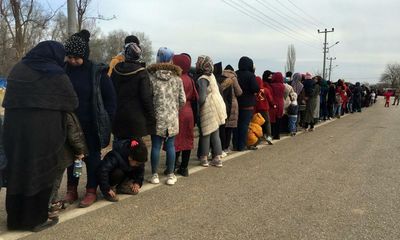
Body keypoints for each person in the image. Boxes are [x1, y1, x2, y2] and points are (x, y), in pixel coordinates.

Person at [2, 41, 78, 231]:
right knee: (40, 172)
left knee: (18, 171)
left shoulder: (18, 69)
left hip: (15, 132)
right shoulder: (55, 73)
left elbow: (8, 101)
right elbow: (72, 102)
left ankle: (15, 219)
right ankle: (34, 220)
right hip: (44, 133)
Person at [64, 30, 117, 208]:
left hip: (92, 124)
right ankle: (71, 189)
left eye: (76, 57)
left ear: (85, 55)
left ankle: (91, 190)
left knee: (92, 159)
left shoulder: (97, 72)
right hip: (70, 125)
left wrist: (107, 120)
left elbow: (110, 100)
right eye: (69, 56)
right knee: (72, 159)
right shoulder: (63, 71)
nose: (72, 60)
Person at [147, 47, 186, 185]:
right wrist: (175, 109)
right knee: (170, 146)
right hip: (172, 117)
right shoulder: (177, 79)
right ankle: (170, 175)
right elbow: (183, 100)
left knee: (156, 146)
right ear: (171, 60)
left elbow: (148, 98)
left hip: (157, 117)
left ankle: (154, 175)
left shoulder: (151, 77)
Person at [110, 41, 155, 141]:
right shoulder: (142, 73)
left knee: (118, 149)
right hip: (136, 120)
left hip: (118, 118)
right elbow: (146, 98)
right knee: (135, 151)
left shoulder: (116, 70)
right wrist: (151, 117)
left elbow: (111, 93)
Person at [48, 112, 87, 219]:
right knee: (55, 181)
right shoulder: (66, 113)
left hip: (46, 152)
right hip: (61, 154)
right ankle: (48, 206)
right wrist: (80, 151)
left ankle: (51, 202)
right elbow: (74, 136)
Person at [196, 55, 227, 167]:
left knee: (206, 133)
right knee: (215, 133)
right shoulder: (212, 76)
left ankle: (204, 158)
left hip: (208, 107)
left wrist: (198, 104)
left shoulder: (202, 79)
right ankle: (217, 158)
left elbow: (203, 97)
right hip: (218, 104)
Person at [172, 53, 198, 177]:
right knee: (187, 139)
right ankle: (184, 167)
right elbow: (195, 97)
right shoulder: (190, 79)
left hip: (178, 111)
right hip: (189, 112)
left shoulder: (176, 79)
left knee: (176, 139)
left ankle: (172, 165)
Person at [97, 138, 147, 202]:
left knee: (137, 167)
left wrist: (137, 182)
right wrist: (106, 189)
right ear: (130, 158)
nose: (138, 164)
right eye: (137, 163)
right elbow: (103, 171)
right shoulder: (115, 156)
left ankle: (122, 186)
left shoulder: (137, 159)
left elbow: (141, 170)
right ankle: (111, 189)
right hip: (111, 178)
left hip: (125, 174)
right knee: (118, 172)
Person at [234, 56, 259, 151]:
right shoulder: (250, 75)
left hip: (237, 103)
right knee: (244, 125)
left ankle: (235, 144)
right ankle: (241, 145)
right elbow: (255, 88)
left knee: (236, 125)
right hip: (247, 104)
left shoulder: (236, 74)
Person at [222, 65, 242, 151]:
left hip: (222, 102)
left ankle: (220, 147)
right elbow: (239, 92)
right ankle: (226, 147)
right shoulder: (233, 77)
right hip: (232, 103)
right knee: (230, 127)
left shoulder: (220, 76)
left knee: (222, 127)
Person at [256, 72, 273, 145]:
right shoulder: (266, 90)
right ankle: (269, 136)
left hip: (256, 109)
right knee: (267, 123)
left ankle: (258, 138)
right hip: (265, 108)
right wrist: (273, 105)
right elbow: (270, 99)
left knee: (257, 124)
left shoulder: (255, 91)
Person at [269, 72, 285, 139]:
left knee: (273, 119)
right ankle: (278, 134)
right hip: (281, 103)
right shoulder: (282, 86)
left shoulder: (272, 85)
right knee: (279, 118)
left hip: (274, 102)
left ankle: (273, 133)